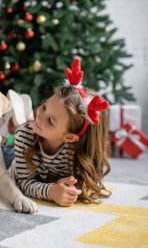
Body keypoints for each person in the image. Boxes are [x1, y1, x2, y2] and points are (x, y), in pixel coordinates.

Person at [9, 58, 111, 207]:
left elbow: (87, 183)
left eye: (50, 120)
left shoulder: (78, 152)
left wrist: (70, 189)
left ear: (69, 137)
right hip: (11, 163)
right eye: (44, 106)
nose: (39, 115)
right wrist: (52, 191)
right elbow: (24, 183)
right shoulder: (24, 135)